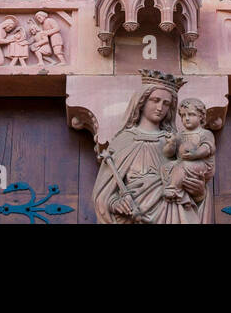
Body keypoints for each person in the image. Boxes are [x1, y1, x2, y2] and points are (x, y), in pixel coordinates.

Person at [92, 71, 208, 224]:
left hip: (173, 213)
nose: (160, 107)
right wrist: (115, 203)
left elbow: (194, 179)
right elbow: (103, 193)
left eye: (166, 103)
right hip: (133, 215)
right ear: (142, 101)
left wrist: (199, 192)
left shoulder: (176, 142)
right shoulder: (123, 140)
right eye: (155, 100)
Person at [163, 98, 216, 205]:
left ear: (201, 116)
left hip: (202, 165)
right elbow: (168, 154)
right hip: (183, 164)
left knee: (184, 165)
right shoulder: (179, 135)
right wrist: (171, 144)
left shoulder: (205, 133)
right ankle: (178, 189)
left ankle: (174, 189)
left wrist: (195, 154)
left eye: (191, 115)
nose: (186, 118)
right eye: (183, 115)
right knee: (166, 166)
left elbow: (207, 148)